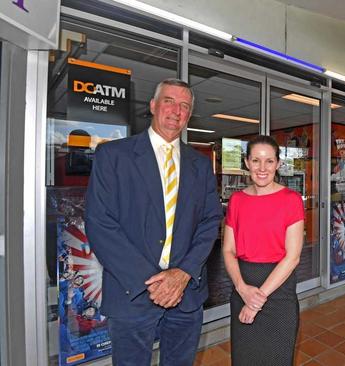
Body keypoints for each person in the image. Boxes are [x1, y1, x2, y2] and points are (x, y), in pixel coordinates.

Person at [85, 78, 222, 366]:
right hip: (132, 291)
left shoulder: (200, 165)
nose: (176, 110)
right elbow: (100, 223)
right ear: (153, 106)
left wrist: (182, 273)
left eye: (185, 106)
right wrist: (153, 283)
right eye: (169, 101)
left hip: (186, 293)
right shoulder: (113, 156)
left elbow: (210, 221)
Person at [222, 135, 304, 365]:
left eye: (269, 161)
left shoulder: (291, 200)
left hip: (278, 291)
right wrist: (242, 289)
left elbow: (293, 257)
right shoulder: (237, 200)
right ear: (247, 162)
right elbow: (228, 250)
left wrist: (257, 299)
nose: (262, 168)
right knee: (244, 358)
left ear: (278, 164)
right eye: (256, 160)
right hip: (243, 285)